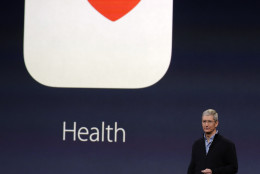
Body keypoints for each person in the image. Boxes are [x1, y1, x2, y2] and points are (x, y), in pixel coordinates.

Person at [187, 109, 238, 174]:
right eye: (204, 121)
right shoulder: (197, 144)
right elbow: (192, 168)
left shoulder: (227, 144)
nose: (206, 124)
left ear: (216, 123)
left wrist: (213, 172)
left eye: (209, 121)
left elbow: (233, 168)